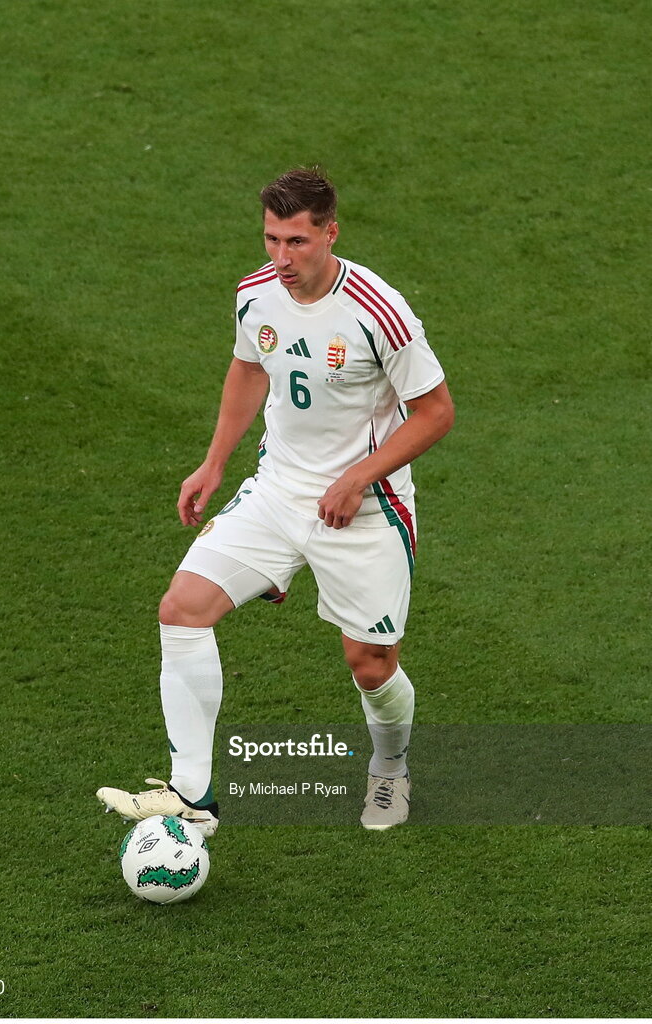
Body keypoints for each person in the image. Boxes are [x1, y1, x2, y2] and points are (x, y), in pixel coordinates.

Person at [97, 167, 454, 835]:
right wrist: (212, 461)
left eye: (296, 241)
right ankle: (192, 799)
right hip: (276, 492)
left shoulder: (378, 311)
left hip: (364, 509)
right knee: (182, 610)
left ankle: (389, 768)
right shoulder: (256, 294)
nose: (281, 258)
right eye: (270, 240)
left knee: (369, 665)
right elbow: (249, 367)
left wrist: (357, 478)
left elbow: (434, 413)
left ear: (329, 232)